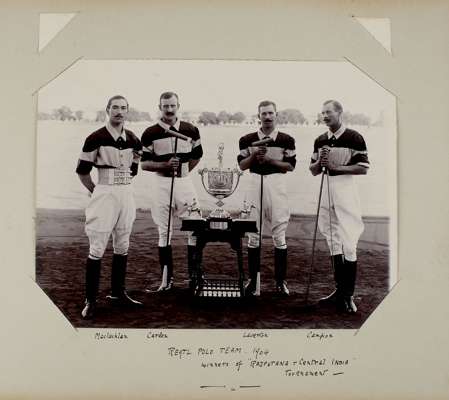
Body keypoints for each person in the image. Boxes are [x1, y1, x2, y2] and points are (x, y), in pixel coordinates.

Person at [76, 95, 143, 319]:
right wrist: (96, 191)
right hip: (104, 192)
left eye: (123, 108)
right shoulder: (95, 137)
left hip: (126, 193)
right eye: (115, 107)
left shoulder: (133, 138)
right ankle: (91, 300)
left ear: (127, 111)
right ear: (107, 110)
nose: (119, 112)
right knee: (97, 246)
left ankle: (118, 293)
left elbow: (134, 168)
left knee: (123, 243)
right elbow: (82, 171)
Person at [309, 100, 370, 313]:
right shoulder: (320, 140)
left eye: (329, 112)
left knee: (349, 241)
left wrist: (336, 166)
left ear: (339, 113)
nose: (325, 116)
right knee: (332, 239)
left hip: (345, 187)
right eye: (322, 113)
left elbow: (363, 168)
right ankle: (339, 291)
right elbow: (313, 170)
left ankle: (348, 295)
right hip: (326, 185)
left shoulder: (354, 137)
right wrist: (320, 162)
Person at [141, 92, 203, 291]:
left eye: (172, 105)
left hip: (184, 184)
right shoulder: (150, 132)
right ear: (160, 107)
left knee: (194, 228)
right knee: (164, 232)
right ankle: (166, 281)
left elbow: (197, 156)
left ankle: (194, 278)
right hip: (161, 184)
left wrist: (183, 171)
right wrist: (165, 166)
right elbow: (144, 164)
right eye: (165, 106)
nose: (169, 109)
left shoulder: (190, 130)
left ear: (178, 106)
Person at [237, 100, 296, 296]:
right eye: (264, 113)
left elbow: (290, 166)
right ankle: (254, 281)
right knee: (253, 233)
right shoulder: (247, 139)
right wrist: (254, 156)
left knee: (279, 233)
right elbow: (242, 166)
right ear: (259, 116)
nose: (268, 117)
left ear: (276, 115)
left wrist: (270, 160)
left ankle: (280, 282)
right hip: (255, 182)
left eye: (271, 113)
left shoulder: (287, 139)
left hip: (277, 183)